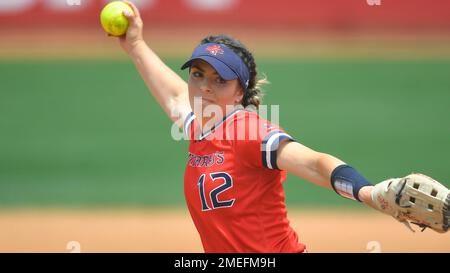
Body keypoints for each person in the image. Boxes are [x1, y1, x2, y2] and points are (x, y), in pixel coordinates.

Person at [113, 1, 450, 252]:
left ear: (240, 91)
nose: (204, 88)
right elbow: (175, 98)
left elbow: (315, 163)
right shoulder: (203, 124)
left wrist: (367, 192)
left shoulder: (246, 130)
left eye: (219, 80)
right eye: (198, 74)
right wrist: (135, 45)